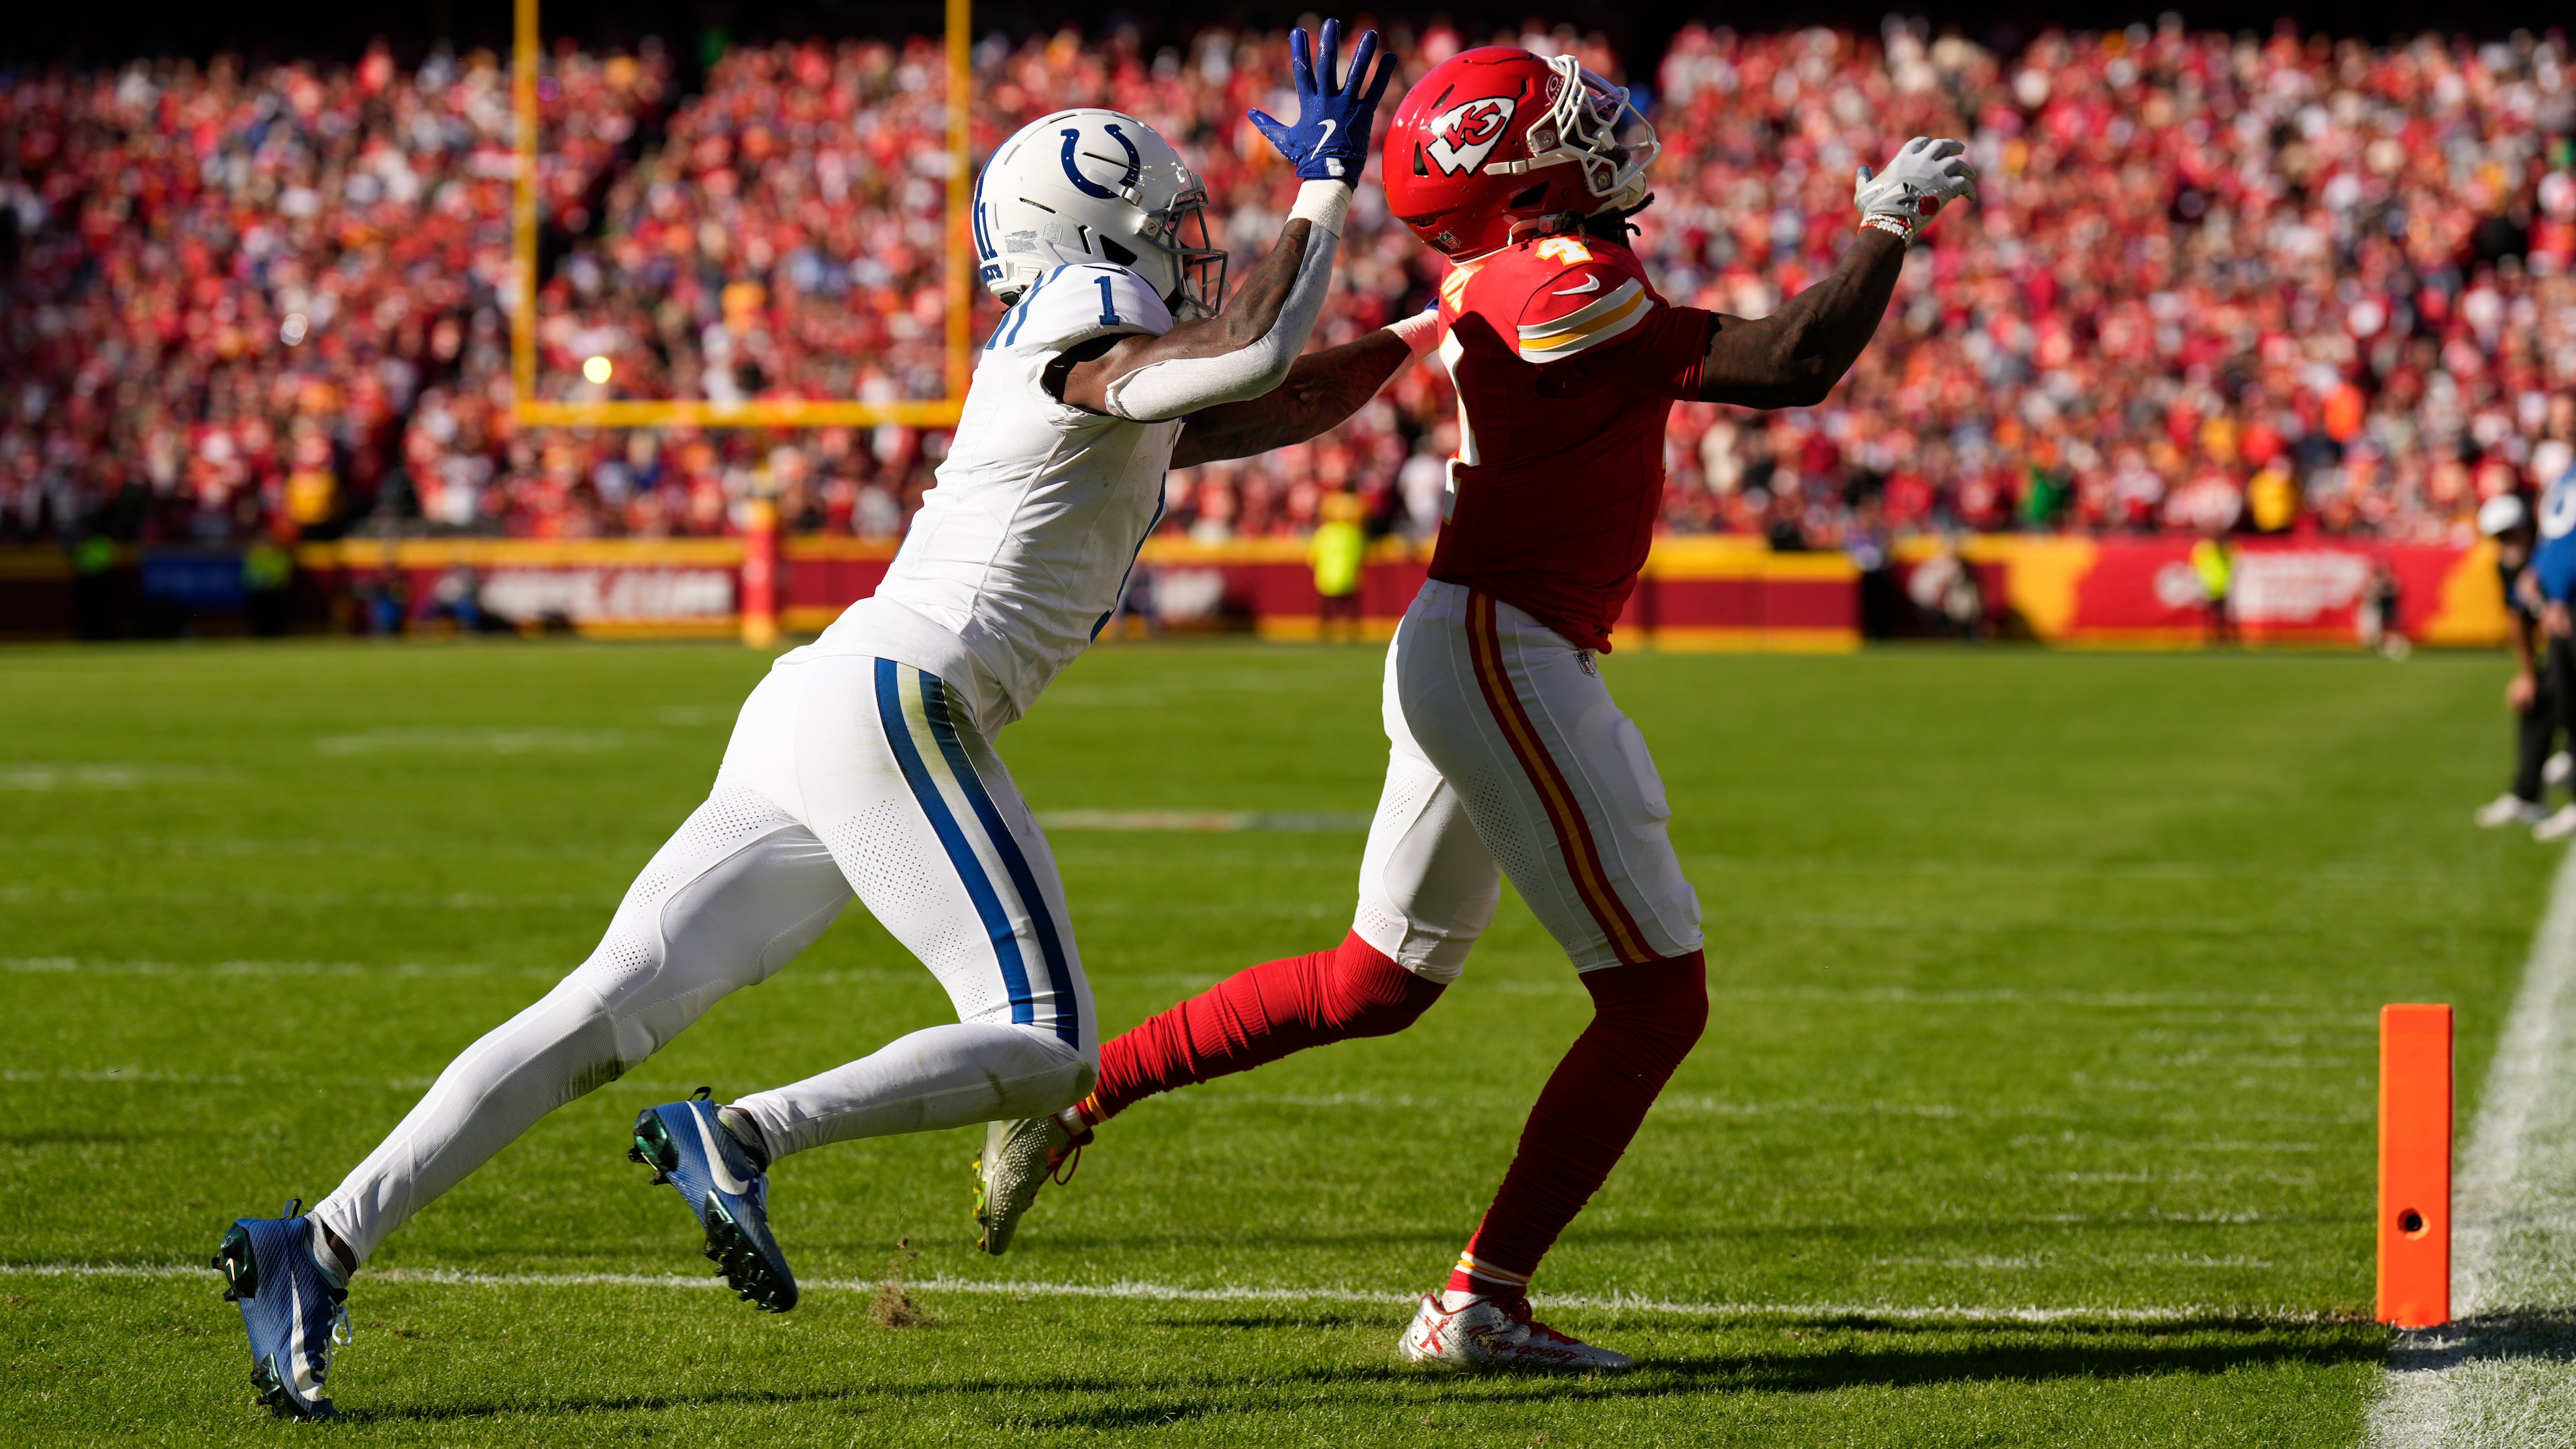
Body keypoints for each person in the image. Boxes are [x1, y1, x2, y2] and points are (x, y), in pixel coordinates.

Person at [211, 21, 1424, 1419]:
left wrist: (1447, 316)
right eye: (1168, 222)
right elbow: (1260, 346)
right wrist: (1325, 187)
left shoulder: (1103, 357)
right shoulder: (1080, 314)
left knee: (602, 1007)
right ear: (1097, 228)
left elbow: (1280, 391)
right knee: (1047, 1042)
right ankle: (744, 1135)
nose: (1188, 244)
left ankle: (323, 1241)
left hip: (826, 703)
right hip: (902, 692)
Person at [971, 46, 1976, 1373]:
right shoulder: (1560, 280)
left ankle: (1085, 1092)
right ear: (1517, 175)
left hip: (1480, 642)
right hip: (1509, 645)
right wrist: (1885, 224)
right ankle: (1478, 1300)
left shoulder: (1499, 281)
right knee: (1658, 1001)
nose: (1601, 128)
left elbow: (1321, 387)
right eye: (1563, 121)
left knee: (1375, 983)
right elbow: (1788, 362)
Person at [2475, 493, 2561, 829]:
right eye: (2500, 538)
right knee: (2535, 700)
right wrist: (2527, 674)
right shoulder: (2507, 566)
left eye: (2511, 533)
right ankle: (2527, 796)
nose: (2508, 544)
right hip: (2560, 646)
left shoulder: (2554, 553)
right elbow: (2518, 619)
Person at [1309, 488, 1367, 641]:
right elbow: (1361, 555)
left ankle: (1324, 634)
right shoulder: (1354, 533)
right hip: (1348, 576)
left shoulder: (1323, 532)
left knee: (1328, 609)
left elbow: (1313, 556)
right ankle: (1353, 634)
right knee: (1350, 609)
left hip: (1327, 577)